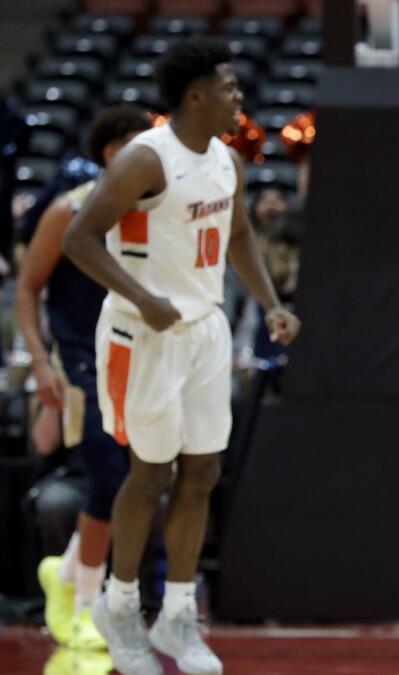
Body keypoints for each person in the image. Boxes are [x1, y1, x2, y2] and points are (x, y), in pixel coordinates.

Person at [62, 37, 301, 675]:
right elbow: (78, 239)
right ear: (197, 96)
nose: (239, 97)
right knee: (150, 475)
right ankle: (119, 606)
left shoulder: (227, 160)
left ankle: (176, 617)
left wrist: (271, 302)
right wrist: (144, 297)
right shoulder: (146, 159)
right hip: (144, 334)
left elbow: (241, 235)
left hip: (204, 328)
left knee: (202, 474)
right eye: (229, 87)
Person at [15, 106, 151, 651]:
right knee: (108, 472)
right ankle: (86, 603)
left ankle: (67, 570)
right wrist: (41, 363)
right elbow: (27, 289)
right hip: (81, 358)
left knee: (143, 474)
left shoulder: (154, 211)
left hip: (139, 354)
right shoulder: (68, 211)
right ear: (115, 153)